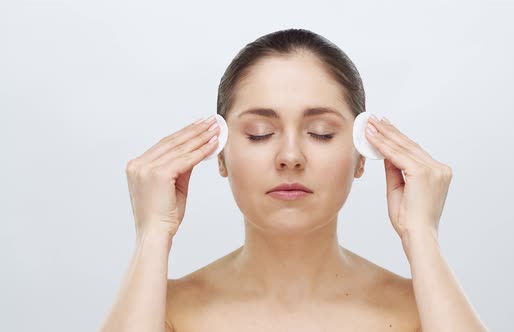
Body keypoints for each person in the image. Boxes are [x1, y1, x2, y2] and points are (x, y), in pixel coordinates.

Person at [99, 28, 488, 332]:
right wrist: (153, 232)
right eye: (259, 133)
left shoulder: (420, 311)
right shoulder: (162, 310)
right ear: (219, 154)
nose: (289, 157)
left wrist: (421, 234)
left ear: (360, 154)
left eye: (320, 132)